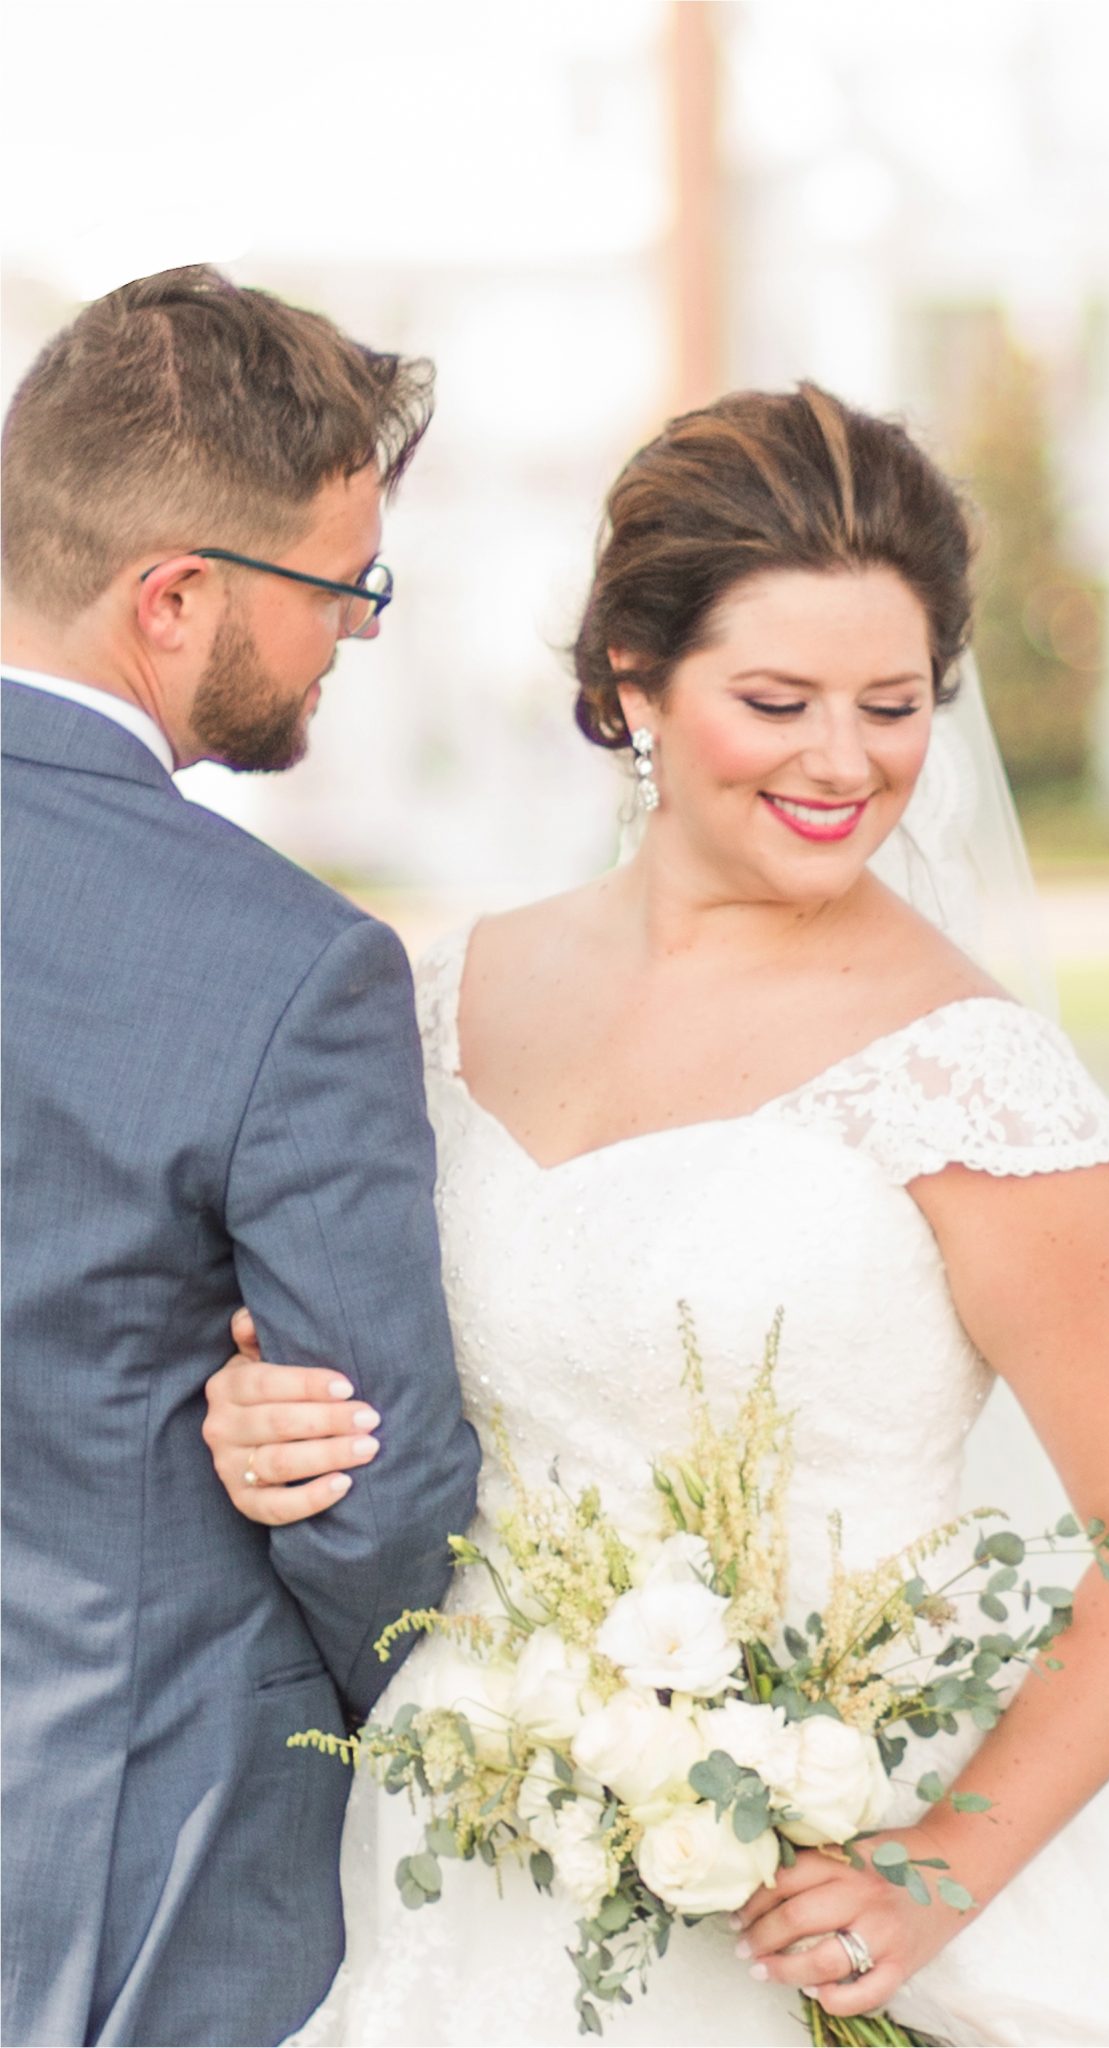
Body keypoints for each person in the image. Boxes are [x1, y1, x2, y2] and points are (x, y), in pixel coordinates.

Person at [205, 384, 1109, 2045]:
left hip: (820, 1882)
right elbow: (358, 1361)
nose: (844, 762)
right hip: (469, 1848)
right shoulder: (434, 998)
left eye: (895, 704)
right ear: (630, 683)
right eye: (776, 699)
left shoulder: (971, 1077)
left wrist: (935, 1871)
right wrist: (261, 1408)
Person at [0, 266, 480, 2048]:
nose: (354, 632)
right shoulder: (291, 969)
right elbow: (382, 1483)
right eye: (339, 586)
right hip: (142, 1862)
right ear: (175, 593)